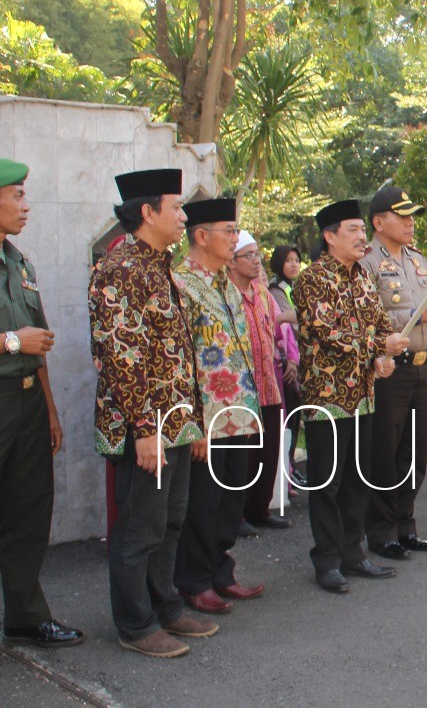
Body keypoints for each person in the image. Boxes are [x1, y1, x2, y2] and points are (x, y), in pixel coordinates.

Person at [90, 168, 216, 658]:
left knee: (169, 522)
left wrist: (195, 423)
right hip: (146, 428)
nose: (184, 216)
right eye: (176, 207)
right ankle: (135, 624)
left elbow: (178, 355)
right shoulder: (119, 268)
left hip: (176, 424)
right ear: (147, 211)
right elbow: (121, 355)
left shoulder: (159, 266)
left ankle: (165, 607)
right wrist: (145, 430)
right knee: (140, 528)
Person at [293, 200, 410, 593]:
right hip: (327, 397)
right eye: (353, 230)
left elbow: (379, 323)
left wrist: (383, 356)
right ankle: (327, 560)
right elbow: (328, 334)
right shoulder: (312, 279)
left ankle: (353, 553)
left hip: (363, 395)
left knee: (357, 479)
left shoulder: (362, 277)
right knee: (327, 482)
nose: (362, 237)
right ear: (330, 237)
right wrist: (379, 345)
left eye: (363, 229)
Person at [0, 158, 83, 649]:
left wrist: (49, 410)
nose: (25, 205)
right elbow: (24, 340)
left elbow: (41, 343)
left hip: (27, 402)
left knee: (29, 511)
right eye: (16, 196)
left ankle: (25, 616)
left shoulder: (20, 263)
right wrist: (12, 342)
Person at [172, 200, 265, 616]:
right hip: (206, 417)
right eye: (229, 230)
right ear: (201, 235)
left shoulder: (228, 283)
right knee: (203, 503)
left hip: (238, 410)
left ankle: (220, 571)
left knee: (231, 498)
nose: (235, 238)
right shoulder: (180, 283)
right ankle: (194, 580)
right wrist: (192, 422)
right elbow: (180, 359)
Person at [358, 184, 427, 560]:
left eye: (412, 216)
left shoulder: (417, 260)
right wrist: (419, 316)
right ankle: (381, 532)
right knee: (385, 452)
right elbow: (369, 318)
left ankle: (405, 525)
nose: (411, 222)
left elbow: (423, 306)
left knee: (414, 453)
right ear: (379, 223)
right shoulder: (367, 263)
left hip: (420, 367)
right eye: (403, 216)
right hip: (390, 370)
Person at [229, 232, 290, 532]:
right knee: (242, 456)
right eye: (249, 255)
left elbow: (277, 330)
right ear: (232, 261)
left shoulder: (263, 293)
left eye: (258, 254)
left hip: (269, 383)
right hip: (241, 389)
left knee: (268, 450)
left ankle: (259, 509)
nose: (256, 261)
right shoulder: (225, 294)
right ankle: (236, 515)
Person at [267, 244, 304, 487]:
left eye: (296, 260)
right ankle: (287, 471)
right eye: (288, 260)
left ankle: (290, 470)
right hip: (284, 361)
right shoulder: (276, 289)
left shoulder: (291, 287)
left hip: (295, 358)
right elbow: (289, 324)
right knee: (288, 419)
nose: (294, 264)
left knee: (294, 416)